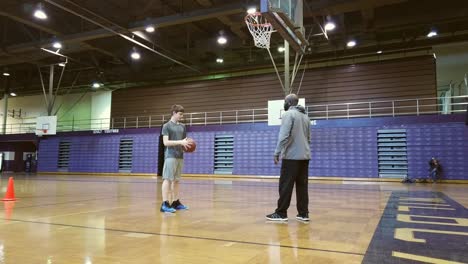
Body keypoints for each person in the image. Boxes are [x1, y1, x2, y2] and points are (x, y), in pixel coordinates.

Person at [266, 94, 311, 222]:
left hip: (291, 157)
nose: (284, 104)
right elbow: (309, 138)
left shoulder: (288, 115)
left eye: (285, 101)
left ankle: (281, 213)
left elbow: (284, 135)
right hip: (305, 157)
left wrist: (277, 152)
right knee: (302, 186)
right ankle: (303, 213)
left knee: (285, 185)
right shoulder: (306, 117)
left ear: (289, 102)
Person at [160, 104, 192, 213]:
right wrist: (180, 142)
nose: (181, 117)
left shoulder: (183, 126)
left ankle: (175, 202)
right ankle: (164, 204)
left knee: (176, 180)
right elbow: (166, 142)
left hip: (180, 156)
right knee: (167, 179)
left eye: (182, 115)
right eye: (180, 114)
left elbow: (184, 141)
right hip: (170, 156)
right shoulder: (166, 126)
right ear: (174, 113)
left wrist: (187, 146)